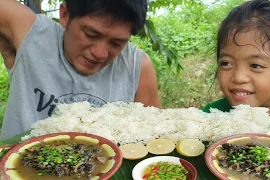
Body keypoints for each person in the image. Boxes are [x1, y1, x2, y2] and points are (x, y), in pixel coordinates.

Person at [0, 0, 161, 139]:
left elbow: (154, 139)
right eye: (91, 34)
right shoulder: (31, 35)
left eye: (116, 43)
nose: (100, 53)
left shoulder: (137, 67)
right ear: (65, 15)